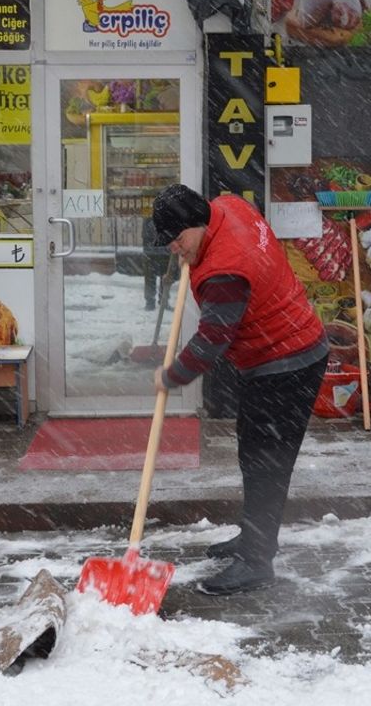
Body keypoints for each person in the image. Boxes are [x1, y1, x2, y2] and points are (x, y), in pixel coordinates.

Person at [151, 184, 328, 596]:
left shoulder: (225, 271)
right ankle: (254, 539)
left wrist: (171, 375)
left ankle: (256, 561)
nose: (177, 250)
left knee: (266, 461)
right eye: (171, 244)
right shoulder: (228, 206)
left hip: (286, 362)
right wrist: (192, 254)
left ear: (199, 223)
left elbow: (211, 342)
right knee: (255, 454)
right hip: (287, 346)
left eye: (180, 240)